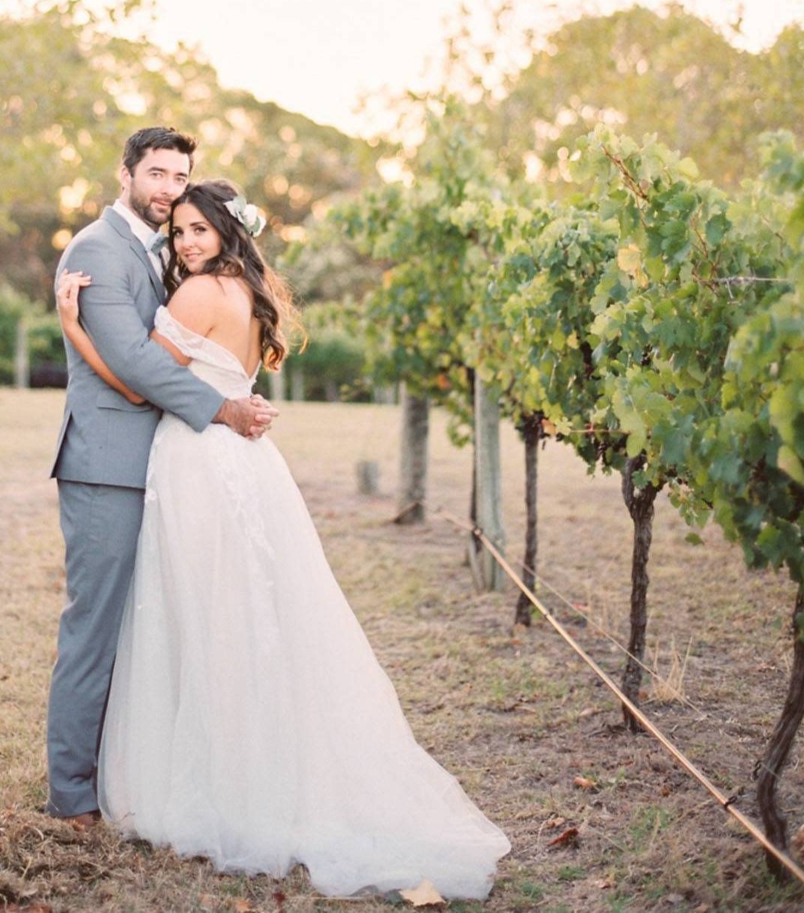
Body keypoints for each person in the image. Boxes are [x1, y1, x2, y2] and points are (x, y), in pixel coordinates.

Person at [55, 179, 511, 900]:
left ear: (227, 232)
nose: (187, 245)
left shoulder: (199, 294)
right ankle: (264, 770)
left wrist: (74, 329)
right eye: (179, 234)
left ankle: (217, 783)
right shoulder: (249, 293)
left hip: (198, 458)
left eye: (199, 230)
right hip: (245, 463)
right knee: (250, 613)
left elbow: (142, 387)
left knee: (199, 615)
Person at [46, 128, 277, 827]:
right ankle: (72, 794)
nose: (168, 188)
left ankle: (139, 775)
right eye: (156, 173)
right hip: (106, 469)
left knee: (154, 628)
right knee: (96, 628)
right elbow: (139, 368)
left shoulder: (169, 257)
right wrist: (224, 408)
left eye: (180, 176)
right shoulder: (96, 249)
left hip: (164, 466)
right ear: (124, 173)